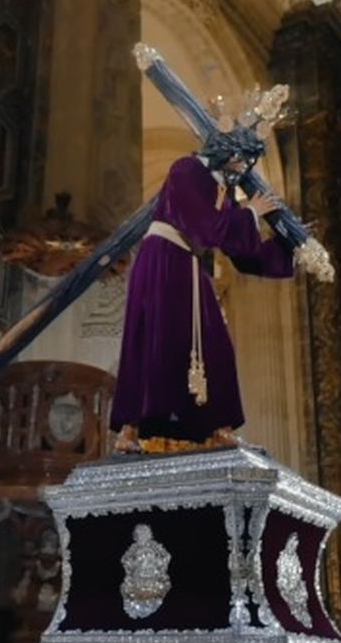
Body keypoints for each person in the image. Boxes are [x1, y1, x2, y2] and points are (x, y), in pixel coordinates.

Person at [110, 140, 294, 453]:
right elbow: (205, 228)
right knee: (153, 341)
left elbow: (242, 252)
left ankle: (217, 427)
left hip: (188, 265)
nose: (243, 169)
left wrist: (288, 246)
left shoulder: (224, 193)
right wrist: (251, 213)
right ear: (226, 154)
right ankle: (129, 431)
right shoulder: (187, 169)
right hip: (163, 262)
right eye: (241, 161)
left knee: (216, 343)